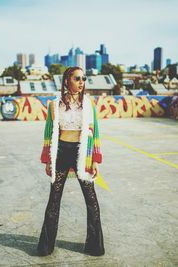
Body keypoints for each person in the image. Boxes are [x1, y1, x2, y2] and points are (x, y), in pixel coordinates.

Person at [37, 67, 105, 256]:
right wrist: (48, 160)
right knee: (54, 200)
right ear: (67, 80)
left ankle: (94, 246)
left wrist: (95, 160)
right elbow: (49, 133)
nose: (82, 81)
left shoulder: (88, 104)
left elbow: (95, 132)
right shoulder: (54, 104)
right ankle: (45, 247)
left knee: (91, 200)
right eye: (77, 78)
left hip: (82, 154)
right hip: (60, 153)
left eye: (84, 78)